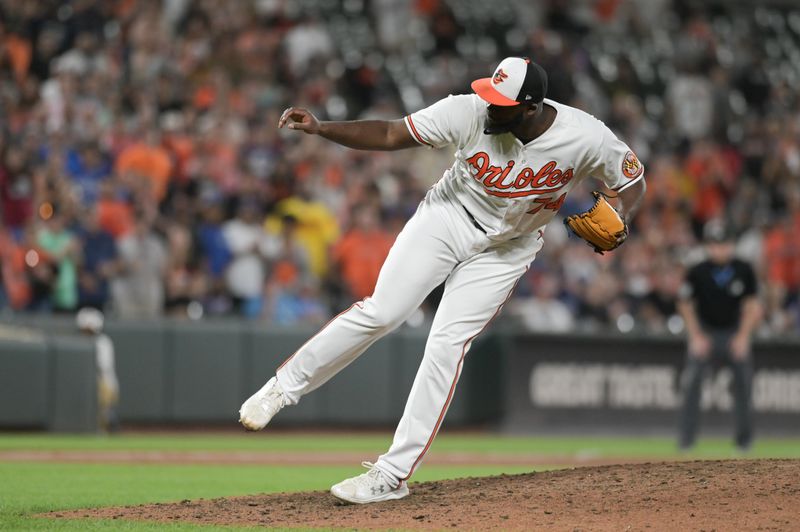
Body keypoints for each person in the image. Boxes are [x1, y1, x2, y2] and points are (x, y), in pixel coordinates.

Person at [239, 57, 647, 504]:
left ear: (530, 108)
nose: (488, 107)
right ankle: (283, 387)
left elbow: (632, 179)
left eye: (500, 103)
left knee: (446, 345)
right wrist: (322, 128)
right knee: (383, 311)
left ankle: (391, 476)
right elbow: (393, 133)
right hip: (447, 217)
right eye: (488, 95)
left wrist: (623, 212)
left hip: (508, 248)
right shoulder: (467, 110)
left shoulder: (584, 135)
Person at [677, 220, 762, 452]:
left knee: (744, 385)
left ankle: (744, 442)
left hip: (734, 332)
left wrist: (744, 336)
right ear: (708, 245)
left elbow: (752, 304)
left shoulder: (744, 269)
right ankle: (686, 441)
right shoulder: (698, 270)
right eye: (715, 244)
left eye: (724, 243)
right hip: (705, 332)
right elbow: (684, 303)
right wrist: (695, 336)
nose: (719, 248)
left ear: (732, 244)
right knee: (692, 382)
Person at [76, 307, 120, 432]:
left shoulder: (103, 342)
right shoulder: (79, 342)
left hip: (104, 382)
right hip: (87, 385)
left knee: (105, 416)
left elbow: (103, 366)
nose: (87, 332)